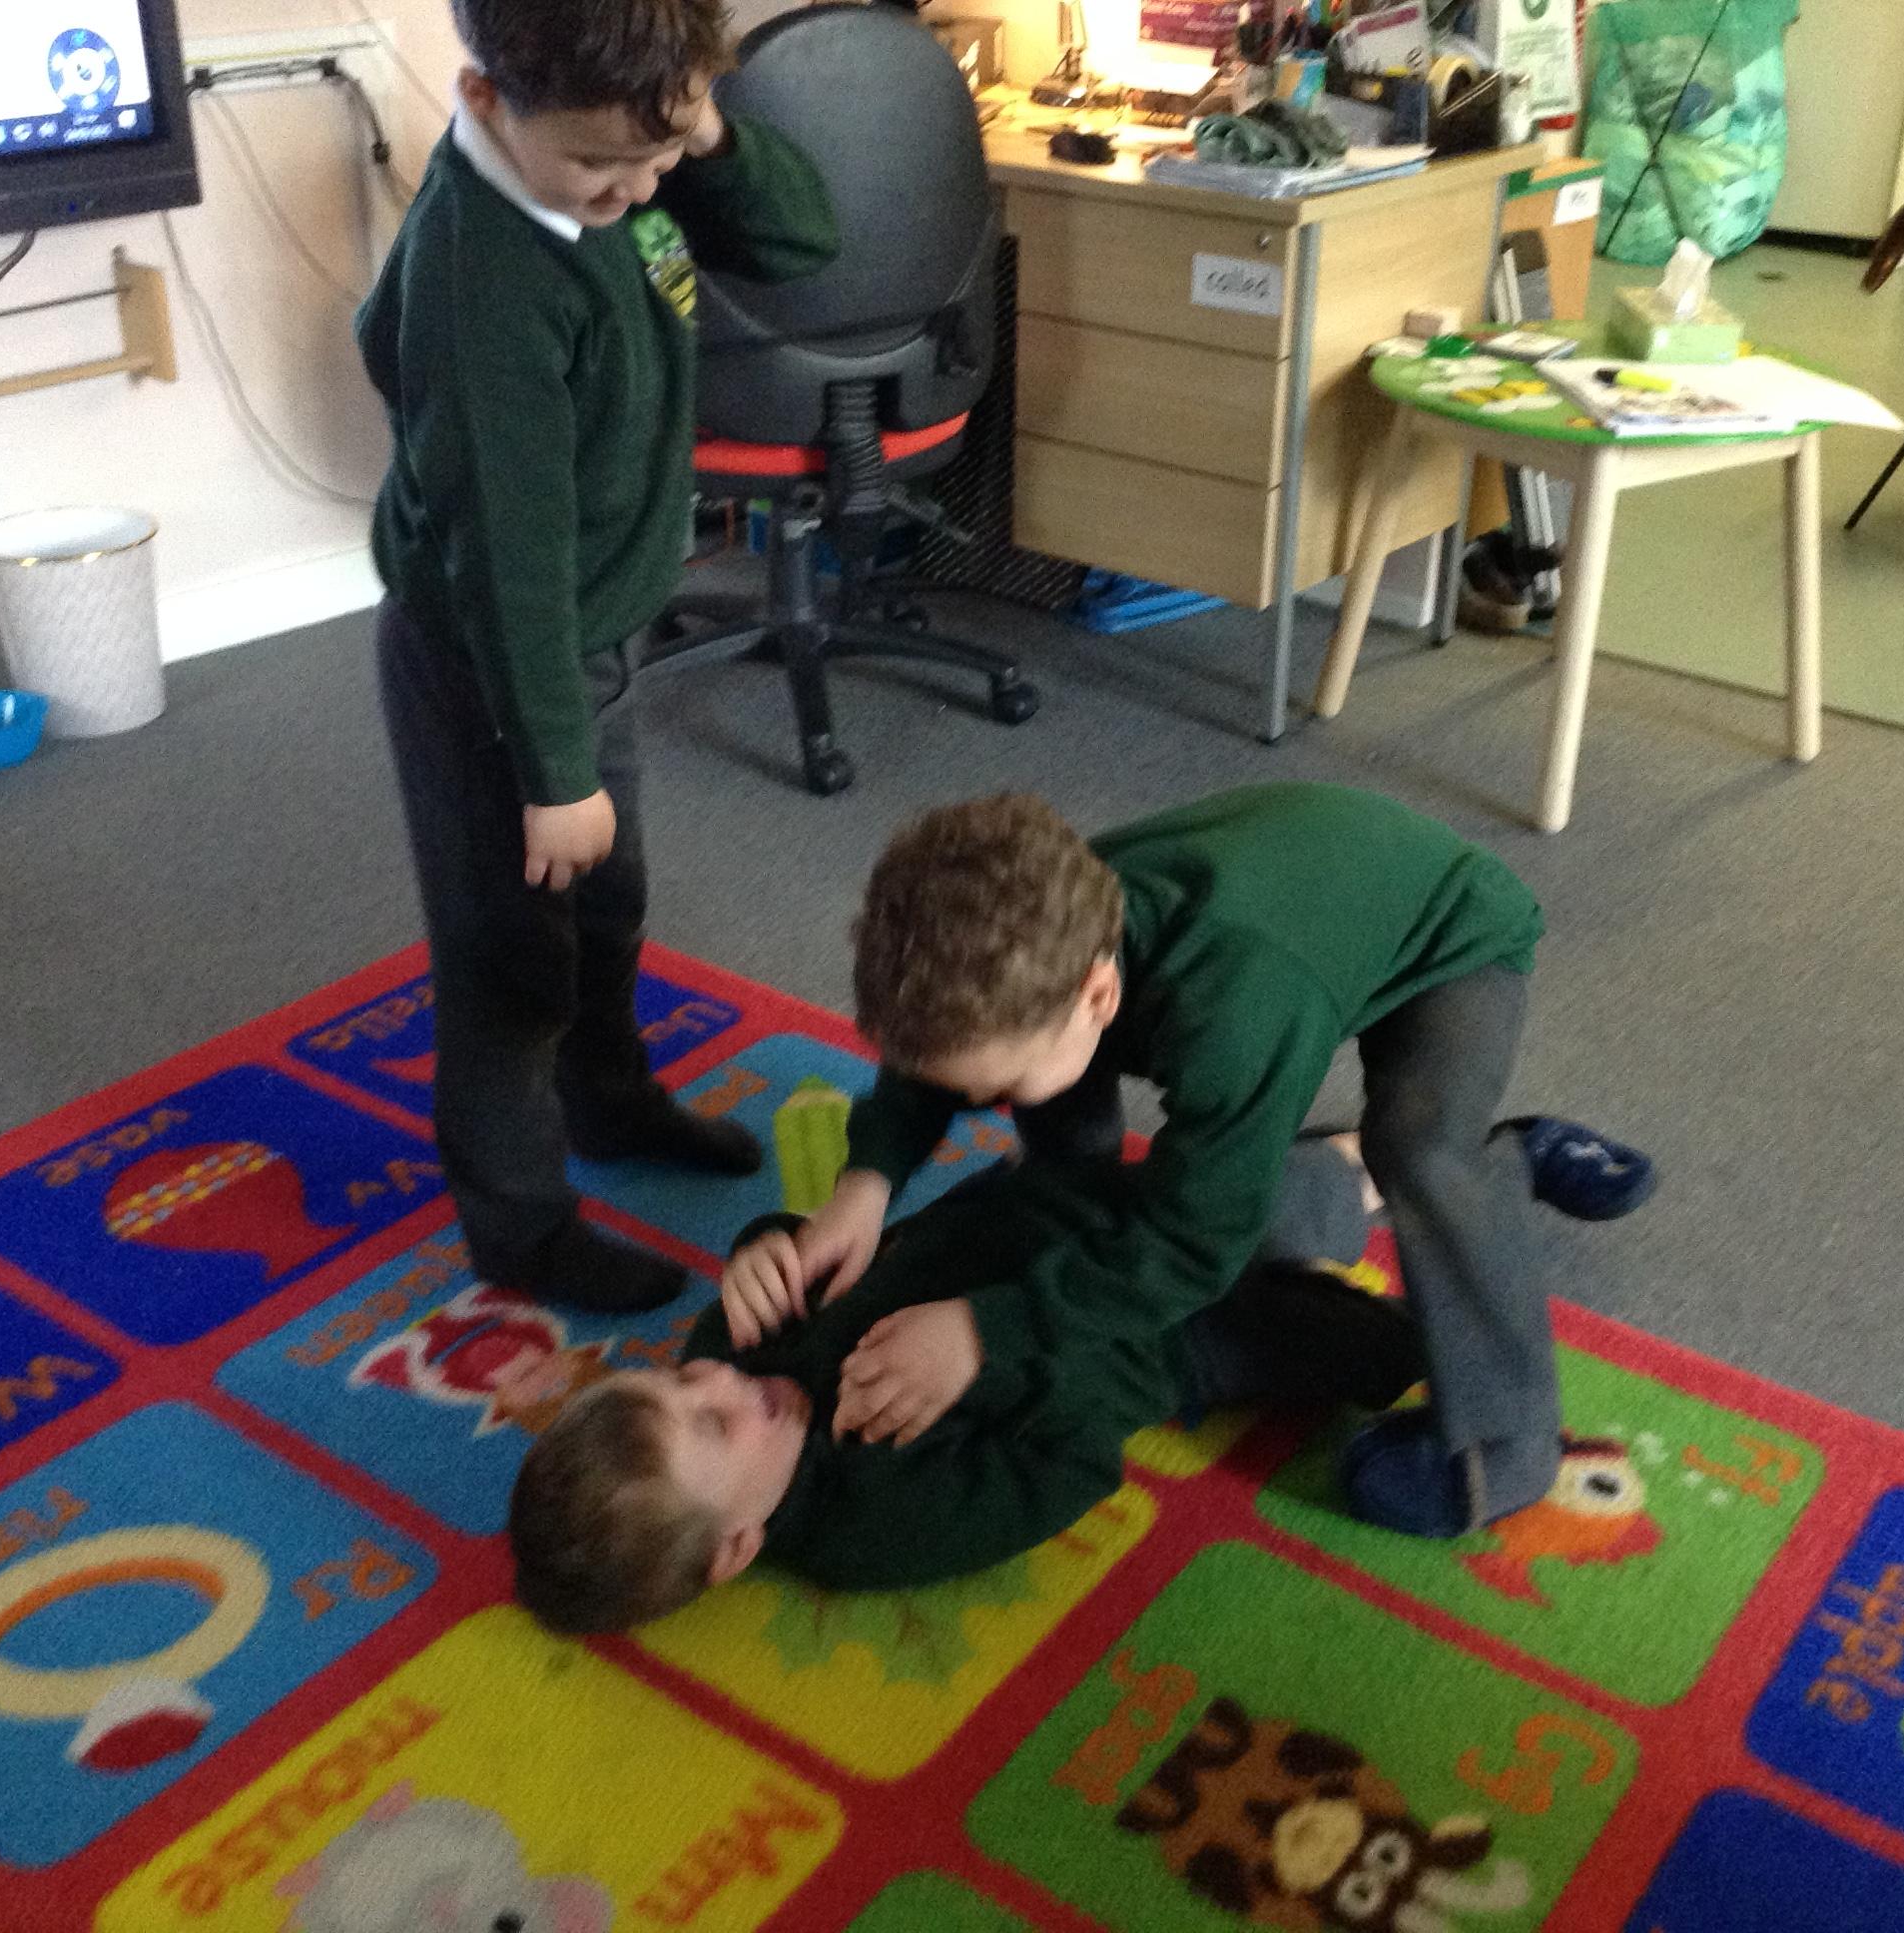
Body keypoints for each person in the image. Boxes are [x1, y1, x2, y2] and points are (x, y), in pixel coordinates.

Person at [726, 785, 1652, 1541]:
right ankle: (1285, 1175)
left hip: (1450, 930)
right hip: (1297, 889)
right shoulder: (1033, 948)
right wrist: (864, 1185)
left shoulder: (1234, 1013)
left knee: (1419, 1146)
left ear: (1098, 995)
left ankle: (1509, 1440)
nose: (980, 1102)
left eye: (992, 1087)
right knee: (1071, 1118)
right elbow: (937, 1057)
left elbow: (1199, 1239)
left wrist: (983, 1330)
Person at [356, 0, 838, 1314]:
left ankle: (610, 1102)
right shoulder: (487, 281)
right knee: (509, 955)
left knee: (607, 905)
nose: (635, 193)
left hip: (598, 626)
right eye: (598, 166)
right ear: (486, 98)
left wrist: (701, 134)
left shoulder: (626, 159)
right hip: (496, 660)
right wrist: (553, 770)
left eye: (659, 159)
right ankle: (518, 1226)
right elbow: (507, 557)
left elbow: (802, 237)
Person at [511, 1140, 1428, 1632]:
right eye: (710, 1424)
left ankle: (1391, 1163)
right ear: (735, 1548)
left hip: (1032, 1208)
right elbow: (1075, 1465)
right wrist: (984, 1347)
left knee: (1278, 1182)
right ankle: (1418, 1200)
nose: (717, 1377)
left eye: (678, 1379)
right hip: (1158, 1336)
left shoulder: (735, 1358)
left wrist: (764, 1248)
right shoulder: (872, 1524)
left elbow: (809, 1248)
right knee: (1386, 1348)